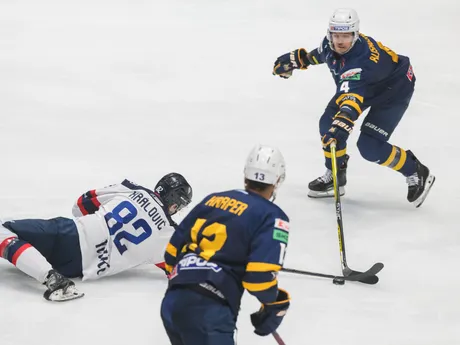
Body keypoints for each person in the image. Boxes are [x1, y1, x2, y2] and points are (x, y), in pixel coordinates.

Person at [273, 8, 435, 207]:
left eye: (346, 36)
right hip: (363, 85)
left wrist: (342, 124)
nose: (340, 41)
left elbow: (351, 102)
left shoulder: (361, 63)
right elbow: (323, 54)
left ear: (355, 34)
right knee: (327, 124)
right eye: (336, 35)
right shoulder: (330, 45)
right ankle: (336, 175)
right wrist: (301, 60)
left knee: (369, 147)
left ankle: (415, 170)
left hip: (393, 89)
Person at [160, 144, 291, 345]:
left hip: (173, 301)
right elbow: (259, 277)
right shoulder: (272, 216)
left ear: (245, 175)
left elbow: (170, 255)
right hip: (210, 310)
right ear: (278, 180)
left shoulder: (213, 200)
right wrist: (274, 305)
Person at [0, 173, 192, 301]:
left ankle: (49, 276)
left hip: (69, 234)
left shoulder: (132, 189)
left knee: (3, 230)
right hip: (76, 268)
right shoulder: (169, 235)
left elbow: (80, 204)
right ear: (175, 202)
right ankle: (53, 276)